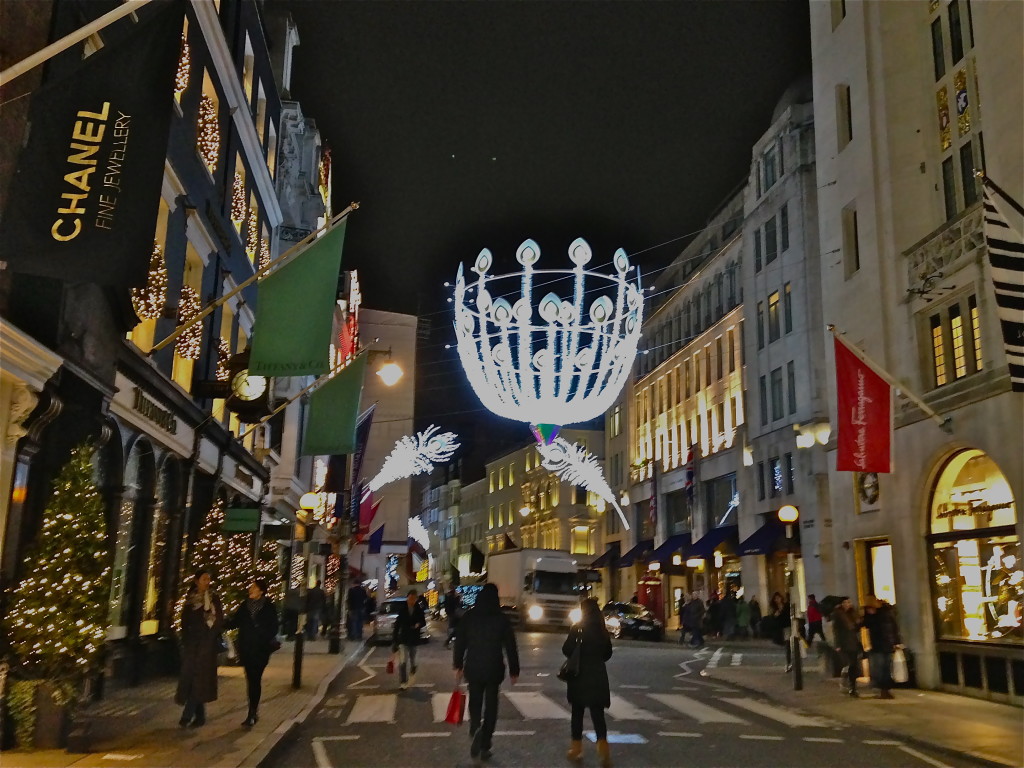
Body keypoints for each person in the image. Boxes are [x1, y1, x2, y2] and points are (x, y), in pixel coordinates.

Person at [452, 583, 519, 760]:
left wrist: (458, 665)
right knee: (491, 706)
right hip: (493, 667)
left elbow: (460, 642)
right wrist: (514, 670)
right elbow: (511, 646)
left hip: (473, 666)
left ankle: (475, 728)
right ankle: (486, 741)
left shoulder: (470, 616)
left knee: (475, 701)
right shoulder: (501, 618)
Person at [564, 598, 614, 767]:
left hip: (579, 675)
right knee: (598, 715)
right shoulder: (602, 630)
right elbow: (607, 654)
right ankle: (603, 749)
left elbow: (566, 649)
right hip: (598, 676)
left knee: (577, 714)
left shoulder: (577, 628)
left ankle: (576, 748)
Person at [226, 578, 279, 726]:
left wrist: (262, 636)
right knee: (251, 680)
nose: (250, 589)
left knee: (255, 679)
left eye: (254, 587)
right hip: (247, 648)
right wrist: (219, 622)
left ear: (261, 591)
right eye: (251, 587)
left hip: (261, 650)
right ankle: (252, 712)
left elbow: (274, 627)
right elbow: (235, 622)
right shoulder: (245, 605)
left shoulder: (269, 606)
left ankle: (252, 712)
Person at [176, 570, 224, 727]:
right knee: (194, 680)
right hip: (192, 644)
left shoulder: (213, 598)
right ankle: (200, 716)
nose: (207, 581)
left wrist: (210, 637)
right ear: (196, 581)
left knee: (199, 679)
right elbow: (184, 620)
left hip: (206, 646)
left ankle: (187, 715)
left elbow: (218, 620)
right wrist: (185, 638)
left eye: (208, 578)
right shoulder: (190, 599)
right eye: (204, 579)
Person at [862, 595, 902, 699]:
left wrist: (897, 642)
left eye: (870, 608)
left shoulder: (885, 613)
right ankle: (883, 690)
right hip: (879, 645)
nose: (869, 610)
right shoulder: (872, 616)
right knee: (881, 668)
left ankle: (885, 690)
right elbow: (864, 625)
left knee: (884, 668)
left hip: (885, 645)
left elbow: (894, 627)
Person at [391, 588, 426, 690]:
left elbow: (423, 622)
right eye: (410, 598)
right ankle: (403, 682)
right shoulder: (402, 610)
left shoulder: (419, 609)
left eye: (414, 598)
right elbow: (397, 625)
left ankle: (412, 673)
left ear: (416, 599)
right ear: (407, 598)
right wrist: (395, 639)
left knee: (414, 661)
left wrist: (418, 624)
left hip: (414, 639)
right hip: (404, 638)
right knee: (403, 661)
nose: (411, 600)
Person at [831, 596, 862, 697]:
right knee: (847, 664)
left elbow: (858, 628)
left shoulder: (852, 613)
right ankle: (845, 684)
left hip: (853, 642)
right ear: (841, 604)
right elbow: (836, 631)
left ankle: (852, 687)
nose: (847, 604)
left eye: (849, 602)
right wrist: (838, 644)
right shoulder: (838, 614)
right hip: (844, 643)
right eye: (845, 602)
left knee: (853, 665)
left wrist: (857, 618)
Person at [768, 592, 791, 670]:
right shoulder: (774, 608)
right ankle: (789, 663)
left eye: (778, 598)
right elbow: (772, 619)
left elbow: (788, 615)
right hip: (780, 629)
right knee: (786, 646)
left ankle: (789, 663)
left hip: (787, 627)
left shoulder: (786, 605)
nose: (777, 600)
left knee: (788, 645)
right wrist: (775, 615)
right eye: (776, 598)